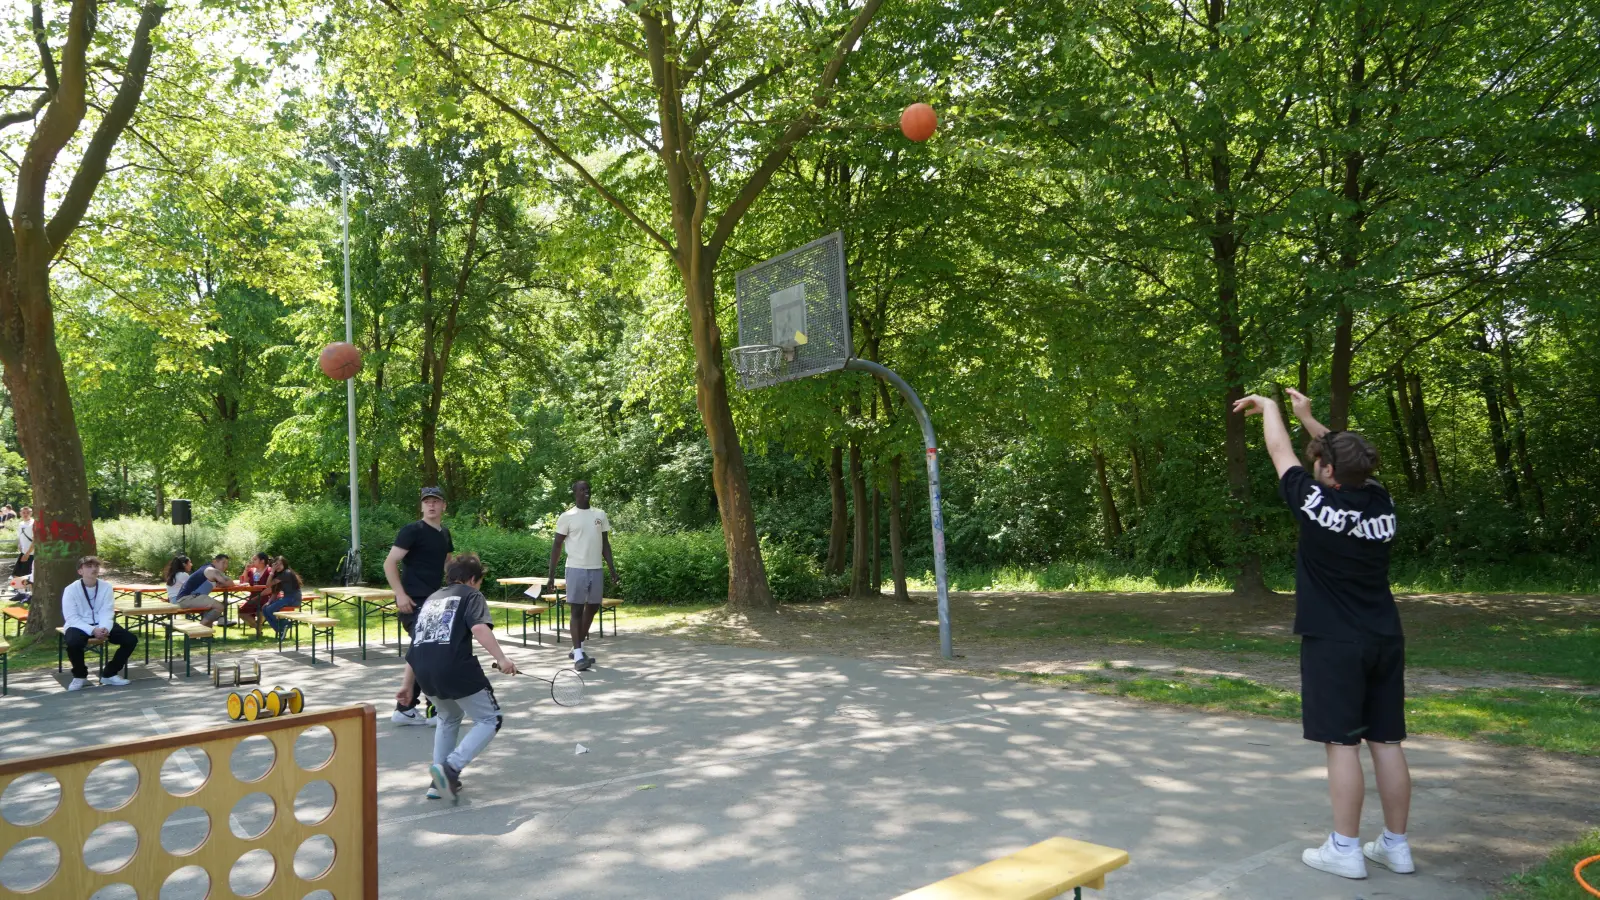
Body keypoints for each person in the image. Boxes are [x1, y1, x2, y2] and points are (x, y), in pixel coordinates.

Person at [1234, 387, 1413, 880]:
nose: (1316, 464)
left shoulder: (1312, 501)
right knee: (1387, 742)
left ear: (1328, 473)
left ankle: (1345, 848)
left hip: (1335, 641)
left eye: (1323, 462)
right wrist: (1309, 418)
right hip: (1384, 637)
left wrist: (1272, 410)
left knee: (1342, 745)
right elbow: (1344, 455)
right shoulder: (1380, 499)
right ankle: (1396, 846)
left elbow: (1278, 451)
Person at [395, 553, 516, 803]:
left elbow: (416, 643)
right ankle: (450, 769)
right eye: (480, 581)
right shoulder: (472, 595)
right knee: (489, 719)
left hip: (424, 671)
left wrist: (407, 685)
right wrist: (502, 659)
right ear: (472, 579)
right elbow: (479, 628)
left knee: (448, 717)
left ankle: (437, 781)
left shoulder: (431, 599)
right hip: (454, 668)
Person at [383, 486, 454, 725]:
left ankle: (407, 709)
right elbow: (390, 563)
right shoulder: (412, 531)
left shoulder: (444, 533)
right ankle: (430, 707)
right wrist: (400, 594)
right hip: (413, 600)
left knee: (426, 649)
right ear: (422, 506)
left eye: (436, 501)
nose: (431, 505)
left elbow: (447, 562)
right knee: (425, 650)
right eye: (427, 502)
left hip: (435, 602)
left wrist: (457, 585)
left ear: (444, 506)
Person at [546, 480, 620, 672]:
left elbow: (605, 544)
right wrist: (551, 575)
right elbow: (556, 546)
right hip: (576, 569)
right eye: (582, 489)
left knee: (593, 607)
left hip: (595, 568)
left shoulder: (599, 515)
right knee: (577, 610)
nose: (586, 492)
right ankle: (578, 654)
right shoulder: (567, 516)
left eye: (588, 489)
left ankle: (576, 647)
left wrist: (612, 568)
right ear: (575, 493)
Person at [61, 556, 138, 691]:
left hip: (102, 623)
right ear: (80, 571)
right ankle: (80, 676)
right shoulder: (70, 589)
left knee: (130, 639)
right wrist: (92, 630)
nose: (94, 569)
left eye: (96, 566)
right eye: (89, 566)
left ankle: (109, 674)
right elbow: (71, 617)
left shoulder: (106, 587)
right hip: (79, 624)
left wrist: (104, 628)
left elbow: (107, 611)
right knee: (73, 642)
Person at [173, 553, 232, 626]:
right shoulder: (211, 570)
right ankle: (198, 630)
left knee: (211, 611)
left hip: (191, 598)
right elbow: (229, 582)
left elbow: (225, 583)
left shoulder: (208, 569)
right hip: (186, 599)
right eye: (223, 563)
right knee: (219, 607)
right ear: (214, 562)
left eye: (227, 563)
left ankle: (207, 635)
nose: (225, 566)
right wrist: (224, 583)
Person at [260, 556, 304, 636]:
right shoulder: (280, 574)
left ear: (285, 565)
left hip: (294, 598)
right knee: (265, 608)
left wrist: (272, 571)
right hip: (287, 598)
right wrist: (269, 601)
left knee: (270, 610)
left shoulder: (286, 573)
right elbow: (275, 591)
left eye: (280, 564)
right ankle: (281, 630)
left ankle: (286, 624)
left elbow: (268, 584)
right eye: (276, 564)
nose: (278, 566)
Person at [238, 553, 272, 630]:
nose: (252, 561)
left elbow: (271, 588)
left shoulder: (269, 570)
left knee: (261, 609)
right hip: (253, 596)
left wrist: (258, 596)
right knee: (242, 612)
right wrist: (246, 570)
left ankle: (258, 631)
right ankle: (258, 628)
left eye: (255, 559)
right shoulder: (251, 571)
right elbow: (244, 582)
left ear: (262, 561)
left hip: (267, 596)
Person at [12, 506, 34, 578]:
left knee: (28, 576)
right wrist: (19, 544)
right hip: (23, 552)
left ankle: (29, 589)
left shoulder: (33, 523)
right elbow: (20, 536)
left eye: (27, 512)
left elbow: (35, 540)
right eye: (23, 513)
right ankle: (19, 589)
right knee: (16, 574)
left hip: (31, 553)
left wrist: (27, 554)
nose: (25, 514)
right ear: (20, 513)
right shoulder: (21, 524)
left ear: (31, 513)